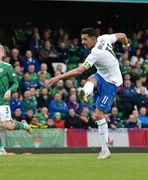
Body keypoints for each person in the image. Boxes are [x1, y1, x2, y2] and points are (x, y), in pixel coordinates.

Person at [45, 27, 130, 159]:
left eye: (85, 39)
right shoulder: (104, 38)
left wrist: (58, 77)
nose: (83, 42)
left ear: (93, 39)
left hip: (113, 83)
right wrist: (126, 45)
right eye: (81, 39)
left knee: (98, 115)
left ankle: (105, 149)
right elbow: (122, 35)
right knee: (92, 78)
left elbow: (79, 71)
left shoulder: (95, 53)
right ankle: (85, 92)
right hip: (102, 75)